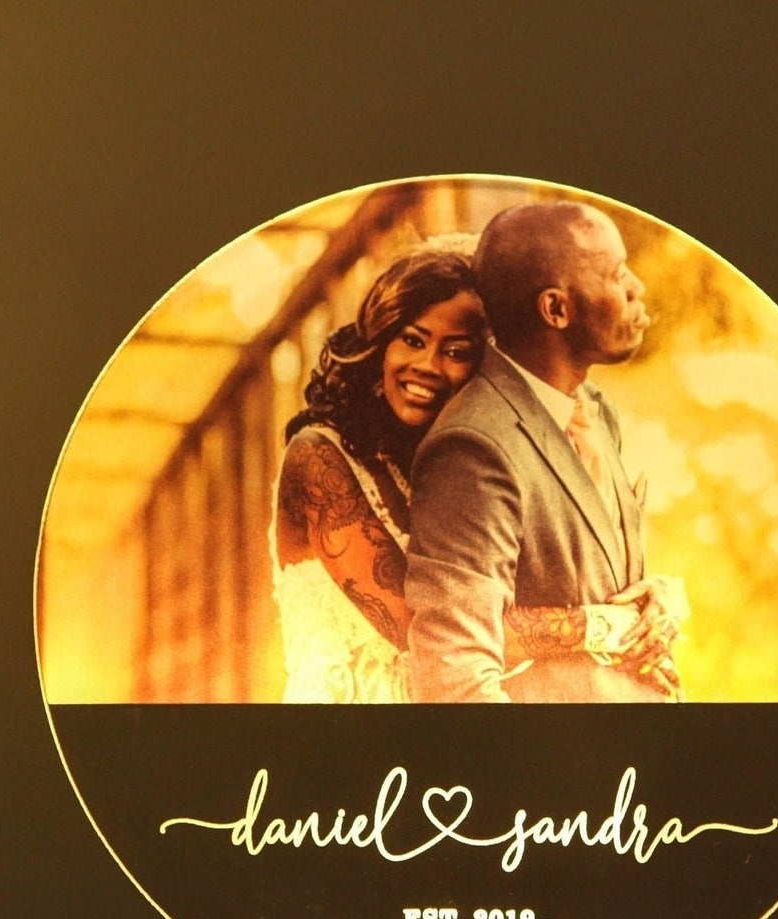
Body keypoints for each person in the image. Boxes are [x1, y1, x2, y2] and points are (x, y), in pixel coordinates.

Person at [272, 240, 672, 702]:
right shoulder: (317, 458)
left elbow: (548, 581)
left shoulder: (467, 462)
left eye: (457, 351)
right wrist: (603, 626)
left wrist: (648, 601)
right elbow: (436, 632)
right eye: (413, 340)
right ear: (381, 345)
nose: (427, 365)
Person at [404, 202, 687, 703]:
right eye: (617, 274)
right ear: (556, 309)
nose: (636, 287)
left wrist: (657, 599)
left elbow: (592, 578)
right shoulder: (472, 447)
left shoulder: (594, 410)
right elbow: (455, 677)